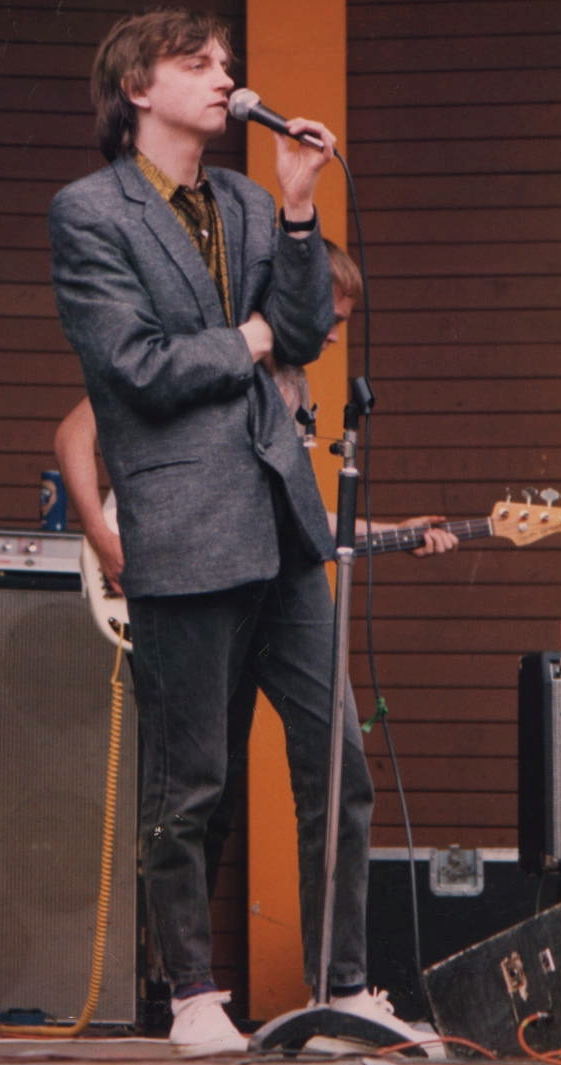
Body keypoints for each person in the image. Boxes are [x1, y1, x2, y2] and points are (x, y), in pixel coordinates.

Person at [48, 9, 449, 1055]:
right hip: (182, 527)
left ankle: (342, 985)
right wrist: (253, 335)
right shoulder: (90, 212)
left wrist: (302, 210)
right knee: (193, 781)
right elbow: (134, 367)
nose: (225, 76)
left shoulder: (249, 202)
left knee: (337, 766)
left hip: (283, 525)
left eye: (227, 61)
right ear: (139, 87)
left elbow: (308, 331)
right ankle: (192, 992)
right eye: (199, 63)